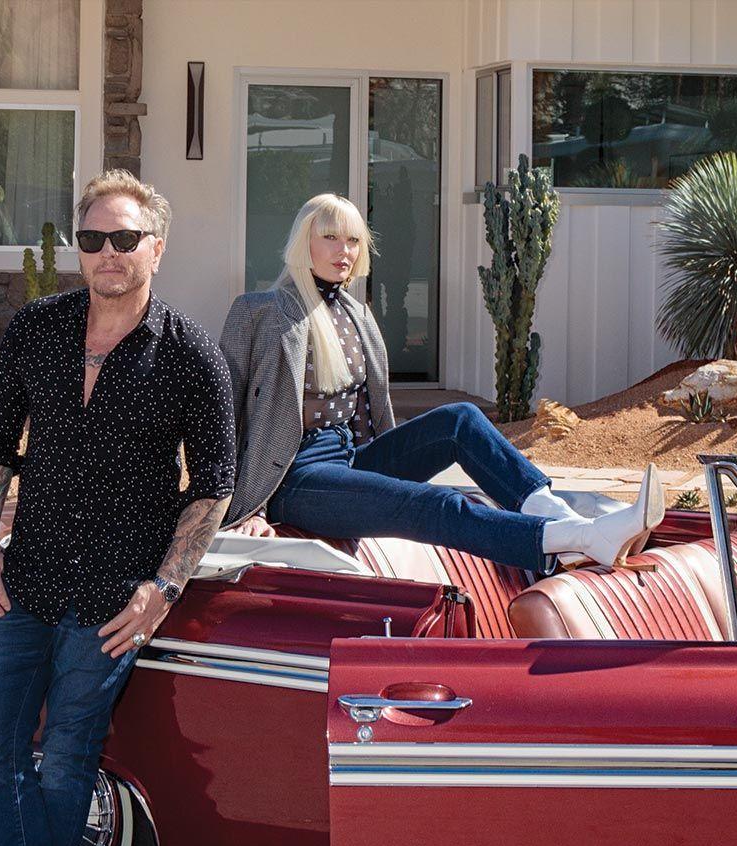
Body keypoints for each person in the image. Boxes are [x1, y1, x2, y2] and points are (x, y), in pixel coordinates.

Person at [0, 170, 236, 846]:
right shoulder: (38, 328)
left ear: (158, 245)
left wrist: (163, 589)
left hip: (115, 594)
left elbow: (213, 486)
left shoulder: (191, 353)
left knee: (68, 758)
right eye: (92, 240)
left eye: (124, 239)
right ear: (75, 246)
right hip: (26, 575)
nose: (107, 255)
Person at [219, 193, 661, 571]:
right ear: (304, 243)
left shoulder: (357, 315)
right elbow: (223, 415)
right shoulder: (259, 311)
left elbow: (372, 417)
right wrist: (244, 507)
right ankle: (572, 540)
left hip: (352, 459)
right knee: (432, 504)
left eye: (353, 239)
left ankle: (566, 519)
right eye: (330, 237)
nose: (344, 250)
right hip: (297, 479)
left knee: (461, 420)